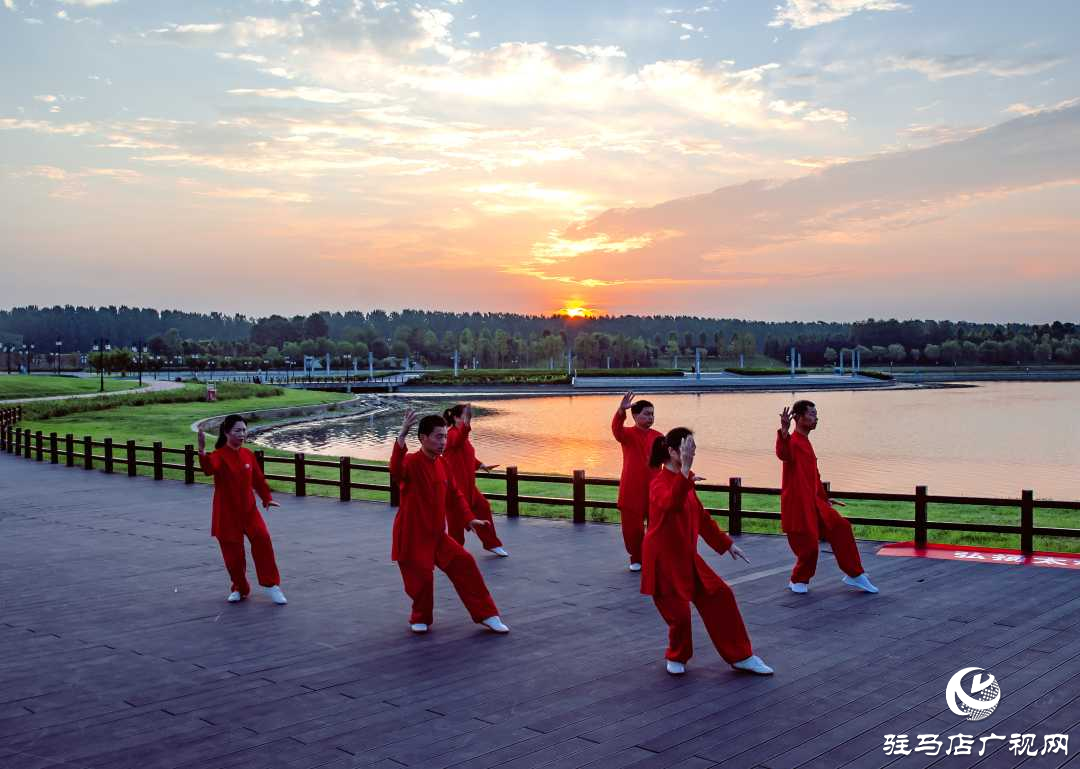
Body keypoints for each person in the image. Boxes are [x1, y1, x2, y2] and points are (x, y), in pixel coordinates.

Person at [642, 427, 773, 676]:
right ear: (671, 451)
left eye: (693, 448)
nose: (691, 453)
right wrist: (685, 473)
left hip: (686, 557)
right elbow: (670, 503)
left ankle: (742, 656)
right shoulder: (658, 483)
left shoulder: (686, 481)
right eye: (686, 448)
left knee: (721, 595)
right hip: (662, 559)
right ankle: (677, 655)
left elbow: (700, 517)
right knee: (679, 616)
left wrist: (727, 544)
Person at [390, 410, 509, 634]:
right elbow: (395, 469)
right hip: (413, 536)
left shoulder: (443, 465)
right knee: (422, 580)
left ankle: (488, 615)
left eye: (445, 436)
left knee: (465, 564)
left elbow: (455, 495)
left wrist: (469, 518)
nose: (443, 441)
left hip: (437, 536)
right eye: (438, 436)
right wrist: (402, 434)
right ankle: (421, 617)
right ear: (423, 438)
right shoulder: (411, 462)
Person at [776, 400, 879, 594]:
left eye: (816, 414)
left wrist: (824, 499)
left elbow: (814, 477)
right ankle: (798, 579)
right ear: (798, 418)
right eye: (812, 414)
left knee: (841, 527)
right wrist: (783, 432)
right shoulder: (793, 442)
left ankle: (854, 574)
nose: (816, 418)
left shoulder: (805, 442)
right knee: (809, 549)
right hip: (798, 505)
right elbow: (783, 454)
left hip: (815, 502)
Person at [198, 415, 287, 605]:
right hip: (227, 515)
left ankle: (272, 586)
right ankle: (239, 587)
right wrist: (202, 451)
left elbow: (258, 479)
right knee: (233, 557)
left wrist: (267, 498)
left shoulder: (248, 455)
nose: (242, 434)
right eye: (238, 430)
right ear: (227, 432)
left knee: (263, 541)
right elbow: (208, 469)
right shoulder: (219, 456)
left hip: (249, 511)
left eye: (244, 430)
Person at [443, 403, 509, 556]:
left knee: (483, 507)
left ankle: (491, 543)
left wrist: (481, 464)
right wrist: (467, 424)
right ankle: (454, 550)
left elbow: (467, 454)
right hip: (454, 488)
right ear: (455, 417)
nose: (465, 420)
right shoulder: (451, 434)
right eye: (462, 417)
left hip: (469, 486)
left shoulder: (461, 437)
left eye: (466, 417)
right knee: (455, 521)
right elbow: (459, 440)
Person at [612, 391, 663, 571]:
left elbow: (671, 460)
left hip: (655, 489)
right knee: (632, 528)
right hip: (632, 488)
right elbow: (616, 430)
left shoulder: (658, 437)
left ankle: (653, 557)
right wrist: (620, 411)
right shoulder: (626, 434)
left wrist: (687, 475)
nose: (651, 417)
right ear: (635, 415)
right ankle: (636, 558)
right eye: (646, 414)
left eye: (652, 414)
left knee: (656, 526)